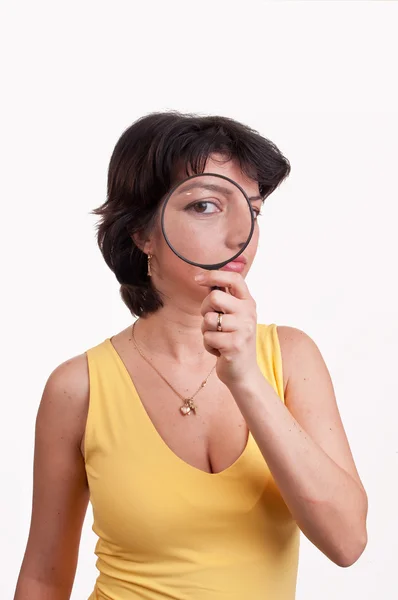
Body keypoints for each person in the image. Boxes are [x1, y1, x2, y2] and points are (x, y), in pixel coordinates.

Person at [14, 112, 368, 600]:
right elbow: (43, 578)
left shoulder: (291, 358)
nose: (237, 234)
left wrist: (246, 378)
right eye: (205, 206)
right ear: (142, 233)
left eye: (253, 210)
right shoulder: (79, 386)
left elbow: (347, 543)